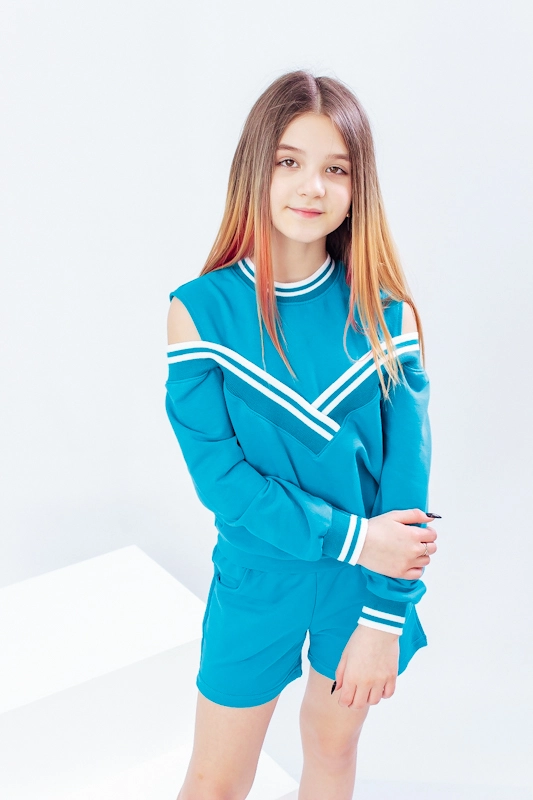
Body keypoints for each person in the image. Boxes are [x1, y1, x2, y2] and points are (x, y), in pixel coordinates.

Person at [164, 69, 439, 800]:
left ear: (357, 187)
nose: (311, 187)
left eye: (335, 169)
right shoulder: (201, 313)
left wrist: (383, 618)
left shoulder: (387, 316)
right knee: (215, 779)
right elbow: (225, 485)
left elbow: (406, 489)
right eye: (289, 161)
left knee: (331, 749)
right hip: (257, 575)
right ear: (255, 168)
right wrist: (356, 538)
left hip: (363, 588)